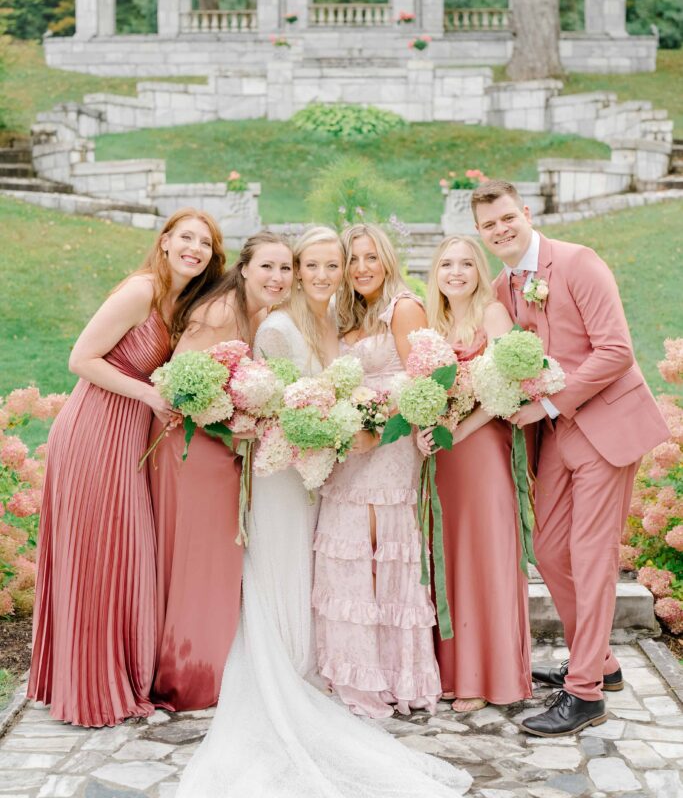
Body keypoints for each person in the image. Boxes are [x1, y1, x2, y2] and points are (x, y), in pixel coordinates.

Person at [177, 225, 472, 798]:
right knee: (300, 561)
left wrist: (392, 426)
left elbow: (424, 382)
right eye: (310, 265)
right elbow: (273, 401)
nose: (324, 274)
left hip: (338, 461)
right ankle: (291, 665)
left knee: (330, 561)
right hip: (293, 466)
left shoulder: (347, 316)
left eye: (333, 264)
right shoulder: (287, 325)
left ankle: (354, 668)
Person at [472, 179, 670, 737]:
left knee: (591, 555)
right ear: (481, 234)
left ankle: (584, 695)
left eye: (507, 217)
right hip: (555, 435)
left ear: (526, 212)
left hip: (603, 426)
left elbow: (617, 350)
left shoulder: (579, 263)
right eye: (489, 225)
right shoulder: (502, 285)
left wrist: (552, 403)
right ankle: (600, 663)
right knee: (550, 549)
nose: (501, 230)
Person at [28, 209, 225, 726]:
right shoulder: (141, 290)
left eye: (205, 243)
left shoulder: (182, 304)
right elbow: (80, 358)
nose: (195, 248)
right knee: (100, 554)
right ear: (164, 243)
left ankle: (103, 675)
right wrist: (149, 392)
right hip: (93, 433)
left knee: (121, 554)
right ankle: (92, 689)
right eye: (186, 237)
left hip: (128, 438)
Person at [148, 230, 294, 712]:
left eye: (285, 268)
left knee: (217, 559)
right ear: (245, 268)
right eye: (267, 266)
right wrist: (233, 426)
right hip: (189, 447)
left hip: (219, 447)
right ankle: (186, 679)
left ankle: (205, 666)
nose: (277, 277)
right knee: (199, 559)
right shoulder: (220, 313)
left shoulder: (262, 315)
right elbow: (179, 386)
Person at [313, 223, 443, 719]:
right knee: (346, 547)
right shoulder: (347, 312)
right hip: (351, 444)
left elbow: (421, 386)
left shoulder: (403, 308)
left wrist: (377, 427)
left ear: (386, 259)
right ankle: (351, 669)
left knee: (382, 549)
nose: (362, 267)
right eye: (353, 260)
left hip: (389, 445)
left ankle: (394, 674)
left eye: (370, 257)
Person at [417, 235, 532, 712]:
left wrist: (459, 430)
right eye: (447, 264)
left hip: (481, 448)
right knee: (448, 555)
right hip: (442, 457)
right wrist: (424, 429)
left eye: (466, 263)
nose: (456, 272)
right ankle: (452, 671)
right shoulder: (431, 323)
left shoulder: (492, 315)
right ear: (436, 273)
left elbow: (509, 385)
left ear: (479, 271)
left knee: (484, 555)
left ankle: (490, 679)